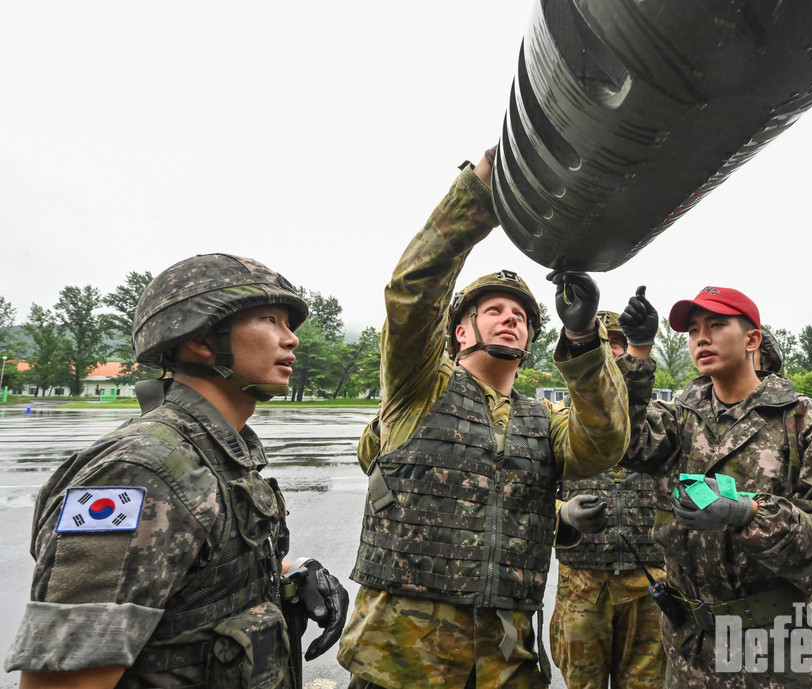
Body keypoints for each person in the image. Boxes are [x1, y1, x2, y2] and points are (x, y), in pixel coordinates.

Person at [336, 149, 630, 689]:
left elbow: (605, 443)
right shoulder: (420, 388)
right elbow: (412, 298)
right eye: (493, 310)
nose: (510, 319)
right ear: (461, 331)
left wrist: (587, 342)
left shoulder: (544, 418)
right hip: (400, 660)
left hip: (506, 661)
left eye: (520, 316)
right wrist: (475, 195)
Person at [4, 253, 349, 689]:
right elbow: (64, 683)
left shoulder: (216, 451)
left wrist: (289, 573)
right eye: (269, 319)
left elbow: (188, 588)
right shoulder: (138, 471)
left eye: (289, 325)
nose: (291, 339)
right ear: (204, 341)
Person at [616, 285, 812, 688]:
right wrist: (637, 351)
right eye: (693, 330)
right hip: (691, 653)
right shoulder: (680, 419)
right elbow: (620, 439)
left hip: (779, 652)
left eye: (717, 325)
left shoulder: (805, 421)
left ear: (753, 339)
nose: (702, 337)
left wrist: (750, 513)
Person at [550, 311, 666, 689]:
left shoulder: (662, 424)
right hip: (582, 586)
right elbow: (525, 501)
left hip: (649, 584)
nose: (611, 353)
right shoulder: (556, 425)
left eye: (618, 343)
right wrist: (563, 514)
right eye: (602, 345)